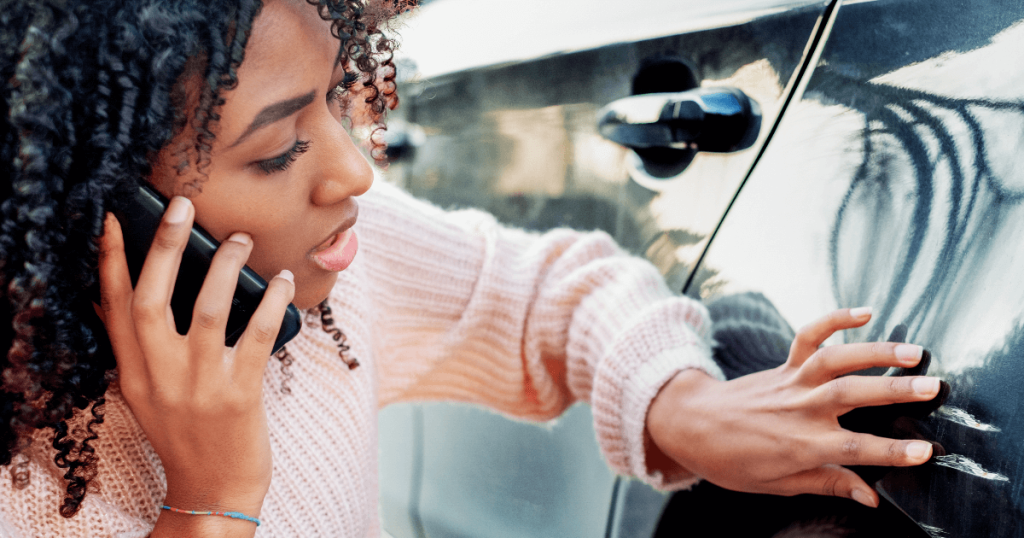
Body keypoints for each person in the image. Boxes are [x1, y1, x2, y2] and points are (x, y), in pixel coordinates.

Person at [0, 0, 945, 536]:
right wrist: (208, 500)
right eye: (281, 149)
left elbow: (543, 293)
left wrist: (681, 405)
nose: (356, 169)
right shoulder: (24, 478)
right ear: (98, 202)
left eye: (337, 97)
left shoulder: (325, 281)